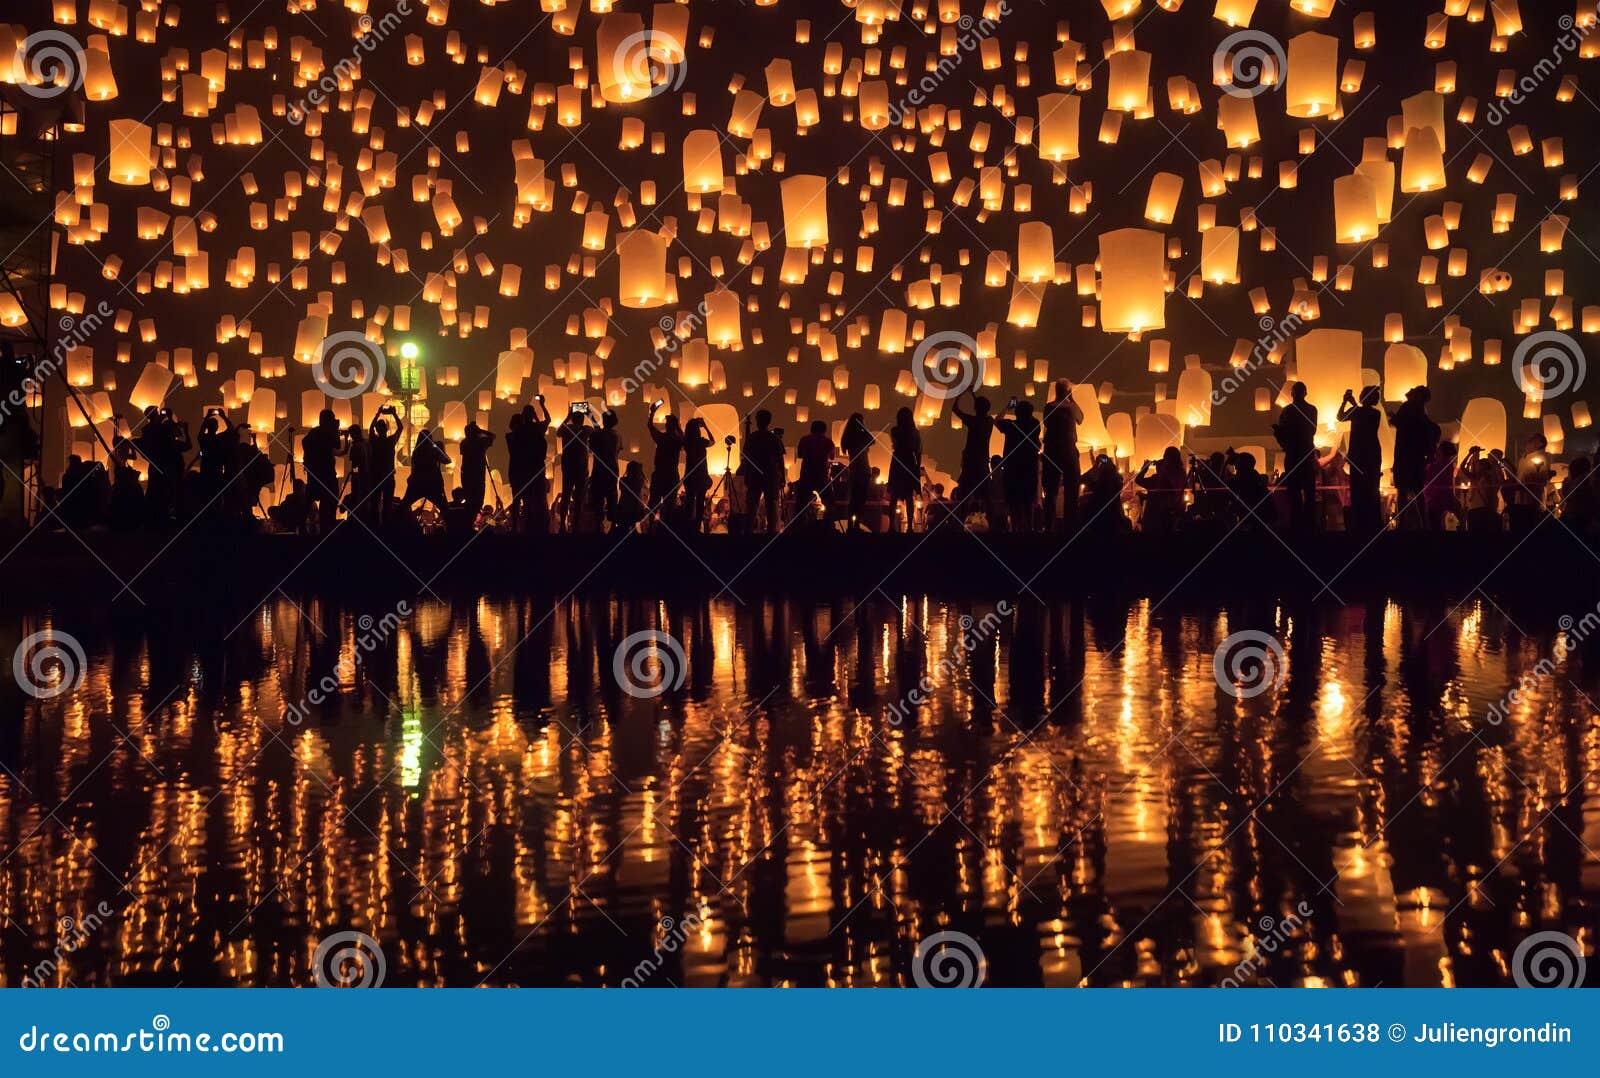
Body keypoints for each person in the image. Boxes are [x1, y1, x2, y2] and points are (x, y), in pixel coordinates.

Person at [1389, 386, 1438, 530]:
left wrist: (1393, 417)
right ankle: (1424, 524)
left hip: (1403, 458)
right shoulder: (1422, 414)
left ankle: (1402, 523)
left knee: (1402, 492)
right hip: (1417, 459)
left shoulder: (1407, 408)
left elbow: (1398, 423)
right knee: (1418, 493)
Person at [1273, 381, 1319, 533]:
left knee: (1294, 492)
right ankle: (1310, 523)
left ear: (1292, 394)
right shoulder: (1312, 410)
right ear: (1305, 393)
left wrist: (1279, 433)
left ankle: (1297, 523)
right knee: (1309, 491)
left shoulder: (1287, 411)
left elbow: (1282, 433)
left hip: (1293, 455)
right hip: (1306, 454)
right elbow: (1312, 430)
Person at [1041, 380, 1084, 533]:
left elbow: (1046, 422)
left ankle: (1049, 526)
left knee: (1051, 490)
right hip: (1068, 451)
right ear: (1068, 391)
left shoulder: (1049, 407)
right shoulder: (1071, 407)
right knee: (1071, 490)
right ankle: (1070, 526)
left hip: (1052, 451)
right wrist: (1072, 400)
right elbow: (1081, 418)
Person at [1338, 386, 1383, 534]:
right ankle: (1374, 523)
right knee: (1371, 490)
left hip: (1358, 456)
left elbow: (1341, 416)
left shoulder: (1359, 412)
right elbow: (1359, 414)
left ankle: (1359, 524)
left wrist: (1346, 402)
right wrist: (1351, 402)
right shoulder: (1375, 413)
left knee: (1358, 490)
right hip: (1372, 455)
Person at [994, 398, 1041, 531]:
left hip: (1012, 468)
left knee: (1014, 501)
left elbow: (996, 420)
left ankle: (1016, 529)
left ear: (1017, 413)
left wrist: (1007, 407)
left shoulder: (1010, 426)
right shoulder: (1035, 424)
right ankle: (1030, 529)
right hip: (1030, 467)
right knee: (1028, 501)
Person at [506, 398, 550, 535]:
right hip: (535, 469)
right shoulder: (537, 429)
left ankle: (515, 528)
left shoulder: (515, 433)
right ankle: (533, 526)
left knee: (517, 498)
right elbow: (548, 420)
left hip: (518, 469)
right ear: (533, 415)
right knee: (533, 499)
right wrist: (541, 405)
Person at [741, 410, 786, 533]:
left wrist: (747, 475)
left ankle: (748, 532)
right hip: (770, 475)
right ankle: (772, 532)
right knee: (772, 505)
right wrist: (783, 476)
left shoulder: (752, 437)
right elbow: (780, 459)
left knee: (752, 505)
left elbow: (746, 457)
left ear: (757, 421)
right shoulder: (774, 438)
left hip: (755, 474)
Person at [300, 408, 343, 532]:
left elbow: (305, 442)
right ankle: (326, 527)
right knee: (328, 498)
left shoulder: (314, 433)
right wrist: (335, 430)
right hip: (326, 472)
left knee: (311, 499)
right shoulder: (326, 434)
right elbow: (337, 445)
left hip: (315, 472)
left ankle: (304, 525)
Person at [951, 390, 994, 505]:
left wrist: (960, 394)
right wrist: (973, 395)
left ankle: (961, 519)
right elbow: (981, 409)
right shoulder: (989, 421)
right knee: (986, 497)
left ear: (975, 407)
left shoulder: (972, 421)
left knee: (964, 496)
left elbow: (955, 409)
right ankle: (991, 520)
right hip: (983, 463)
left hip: (970, 463)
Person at [646, 400, 685, 525]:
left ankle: (652, 526)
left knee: (654, 501)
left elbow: (650, 426)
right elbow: (683, 438)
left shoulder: (662, 439)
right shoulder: (677, 440)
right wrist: (677, 426)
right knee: (669, 504)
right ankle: (666, 527)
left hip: (660, 474)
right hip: (672, 475)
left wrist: (652, 413)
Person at [1135, 447, 1186, 535]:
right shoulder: (1181, 474)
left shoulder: (1157, 479)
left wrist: (1145, 468)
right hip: (1173, 517)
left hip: (1155, 520)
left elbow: (1138, 480)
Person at [1509, 434, 1552, 534]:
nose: (1527, 443)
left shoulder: (1540, 458)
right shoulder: (1524, 458)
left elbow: (1539, 479)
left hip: (1532, 502)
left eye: (1531, 441)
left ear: (1539, 444)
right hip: (1520, 500)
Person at [557, 404, 591, 532]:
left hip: (568, 467)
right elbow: (598, 430)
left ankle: (562, 525)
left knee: (566, 495)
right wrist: (589, 415)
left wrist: (568, 416)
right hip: (581, 468)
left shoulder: (567, 428)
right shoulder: (586, 430)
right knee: (579, 498)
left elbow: (557, 432)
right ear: (582, 420)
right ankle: (576, 525)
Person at [403, 427, 450, 517]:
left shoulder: (416, 451)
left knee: (404, 505)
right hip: (433, 483)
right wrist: (440, 448)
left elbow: (414, 469)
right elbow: (447, 460)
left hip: (417, 482)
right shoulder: (434, 451)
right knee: (445, 508)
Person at [887, 407, 921, 533]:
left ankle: (891, 526)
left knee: (894, 496)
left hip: (898, 461)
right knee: (908, 496)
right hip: (910, 461)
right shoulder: (915, 432)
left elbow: (895, 445)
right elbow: (918, 451)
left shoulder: (895, 431)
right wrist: (917, 469)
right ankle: (910, 526)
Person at [367, 405, 402, 526]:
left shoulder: (374, 441)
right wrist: (394, 414)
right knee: (387, 504)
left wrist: (378, 414)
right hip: (388, 476)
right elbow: (400, 428)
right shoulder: (390, 441)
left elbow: (370, 429)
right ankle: (387, 526)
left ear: (377, 430)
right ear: (386, 429)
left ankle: (374, 526)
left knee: (374, 503)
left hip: (376, 476)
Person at [840, 412, 875, 531]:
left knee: (853, 498)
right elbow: (872, 440)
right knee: (861, 499)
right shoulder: (862, 435)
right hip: (864, 469)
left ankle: (851, 524)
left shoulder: (847, 437)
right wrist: (864, 428)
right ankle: (857, 524)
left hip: (854, 469)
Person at [794, 419, 834, 523]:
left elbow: (800, 455)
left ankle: (799, 526)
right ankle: (828, 526)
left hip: (806, 475)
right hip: (822, 476)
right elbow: (832, 457)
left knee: (801, 504)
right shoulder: (828, 441)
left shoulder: (804, 439)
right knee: (829, 503)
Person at [588, 409, 621, 530]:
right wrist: (591, 417)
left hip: (599, 471)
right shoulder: (617, 435)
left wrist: (590, 416)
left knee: (598, 497)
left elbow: (595, 437)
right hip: (612, 470)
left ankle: (598, 525)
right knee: (612, 497)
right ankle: (613, 525)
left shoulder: (596, 434)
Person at [1459, 446, 1505, 532]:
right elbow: (1462, 467)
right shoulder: (1480, 477)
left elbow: (1462, 467)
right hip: (1484, 509)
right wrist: (1471, 454)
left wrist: (1471, 454)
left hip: (1480, 510)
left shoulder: (1484, 477)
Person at [682, 416, 716, 530]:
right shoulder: (701, 441)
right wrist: (705, 427)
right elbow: (712, 441)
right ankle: (697, 526)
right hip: (701, 476)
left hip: (690, 475)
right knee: (700, 502)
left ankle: (688, 527)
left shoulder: (687, 442)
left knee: (690, 502)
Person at [460, 420, 496, 515]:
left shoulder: (464, 443)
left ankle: (468, 521)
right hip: (478, 474)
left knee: (469, 499)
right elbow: (493, 436)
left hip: (466, 474)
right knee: (478, 499)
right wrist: (481, 431)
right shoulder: (481, 442)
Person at [1422, 441, 1459, 530]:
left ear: (1442, 452)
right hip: (1443, 500)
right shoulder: (1449, 465)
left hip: (1435, 501)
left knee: (1433, 524)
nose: (1436, 452)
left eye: (1439, 450)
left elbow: (1426, 478)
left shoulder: (1438, 466)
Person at [1561, 455, 1599, 539]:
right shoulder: (1588, 479)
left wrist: (1565, 487)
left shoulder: (1581, 482)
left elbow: (1570, 498)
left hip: (1577, 519)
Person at [617, 460, 649, 533]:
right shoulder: (641, 481)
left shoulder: (623, 480)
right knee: (633, 526)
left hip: (624, 508)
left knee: (624, 528)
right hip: (636, 510)